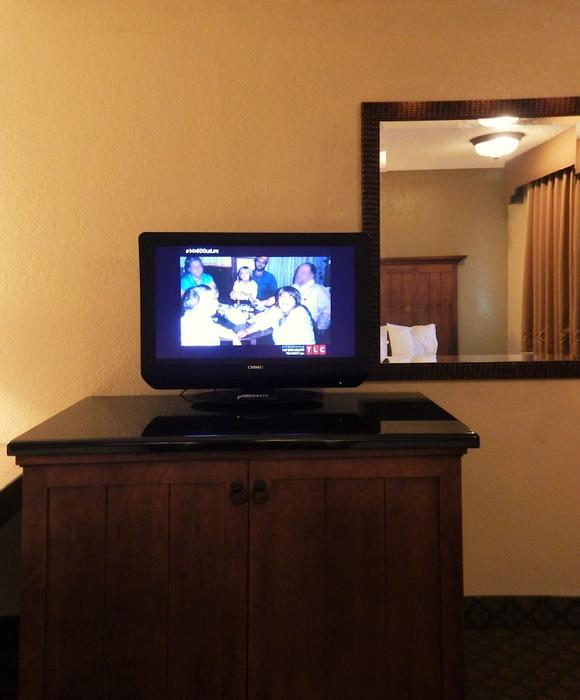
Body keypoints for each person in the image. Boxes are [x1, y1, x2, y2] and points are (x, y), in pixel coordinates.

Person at [237, 286, 315, 345]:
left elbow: (284, 339)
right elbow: (264, 322)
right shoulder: (280, 310)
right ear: (277, 299)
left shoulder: (300, 313)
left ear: (296, 300)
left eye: (290, 297)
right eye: (282, 296)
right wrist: (246, 331)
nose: (285, 300)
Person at [292, 263, 331, 333]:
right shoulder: (292, 288)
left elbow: (328, 311)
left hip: (307, 332)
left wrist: (319, 329)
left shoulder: (318, 290)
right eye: (297, 271)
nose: (298, 274)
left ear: (311, 276)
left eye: (303, 272)